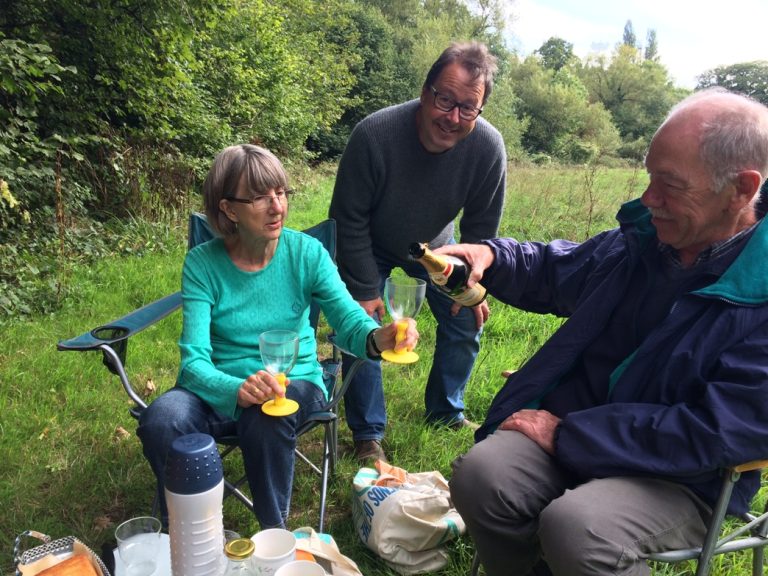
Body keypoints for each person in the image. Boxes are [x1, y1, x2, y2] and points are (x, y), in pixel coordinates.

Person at [446, 88, 768, 576]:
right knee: (482, 475)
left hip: (683, 477)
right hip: (578, 434)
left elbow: (718, 431)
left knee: (578, 527)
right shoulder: (645, 240)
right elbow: (559, 269)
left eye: (670, 185)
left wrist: (570, 434)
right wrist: (491, 257)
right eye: (649, 177)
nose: (648, 199)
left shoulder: (759, 291)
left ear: (741, 189)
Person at [137, 144, 418, 529]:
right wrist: (237, 388)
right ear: (228, 209)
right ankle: (190, 530)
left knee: (267, 411)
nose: (276, 206)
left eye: (281, 192)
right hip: (220, 388)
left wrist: (378, 338)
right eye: (258, 196)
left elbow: (349, 319)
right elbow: (194, 361)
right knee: (160, 420)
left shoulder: (307, 253)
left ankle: (274, 536)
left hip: (295, 383)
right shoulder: (203, 263)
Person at [329, 41, 507, 461]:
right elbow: (347, 218)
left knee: (468, 315)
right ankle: (368, 434)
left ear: (480, 110)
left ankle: (446, 410)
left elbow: (481, 234)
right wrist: (361, 288)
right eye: (445, 99)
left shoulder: (487, 147)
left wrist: (472, 285)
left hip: (437, 246)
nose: (453, 116)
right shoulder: (375, 133)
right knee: (360, 322)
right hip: (368, 241)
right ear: (425, 92)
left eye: (468, 107)